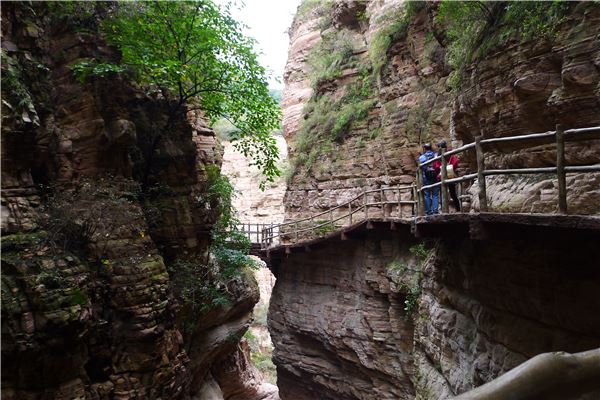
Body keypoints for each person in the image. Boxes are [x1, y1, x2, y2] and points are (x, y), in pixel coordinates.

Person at [438, 140, 460, 211]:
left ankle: (444, 209)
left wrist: (440, 168)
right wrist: (451, 167)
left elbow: (436, 165)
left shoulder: (439, 155)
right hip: (450, 175)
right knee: (453, 193)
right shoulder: (450, 154)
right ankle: (458, 209)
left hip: (443, 176)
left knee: (443, 193)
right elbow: (455, 162)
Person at [418, 144, 440, 215]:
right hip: (435, 176)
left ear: (425, 148)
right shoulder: (436, 155)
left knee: (426, 194)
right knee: (435, 194)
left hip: (426, 177)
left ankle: (428, 212)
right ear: (431, 148)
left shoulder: (422, 157)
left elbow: (422, 168)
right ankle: (435, 211)